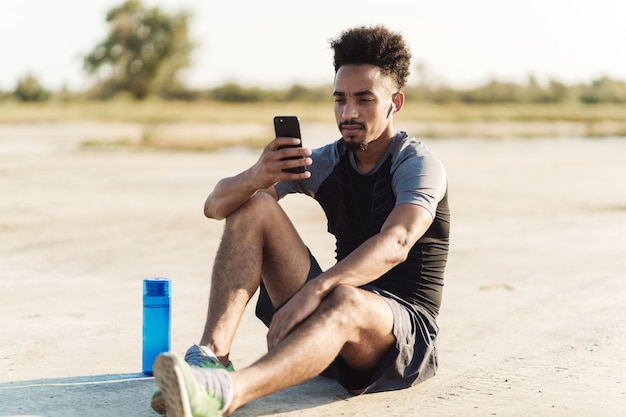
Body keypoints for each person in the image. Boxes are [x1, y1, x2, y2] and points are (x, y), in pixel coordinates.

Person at [151, 25, 450, 417]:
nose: (349, 113)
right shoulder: (326, 161)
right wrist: (256, 176)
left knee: (343, 297)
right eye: (340, 99)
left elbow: (397, 242)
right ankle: (211, 358)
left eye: (364, 99)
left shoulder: (417, 164)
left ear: (395, 102)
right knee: (254, 204)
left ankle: (226, 393)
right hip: (334, 317)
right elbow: (216, 206)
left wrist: (316, 291)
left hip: (401, 335)